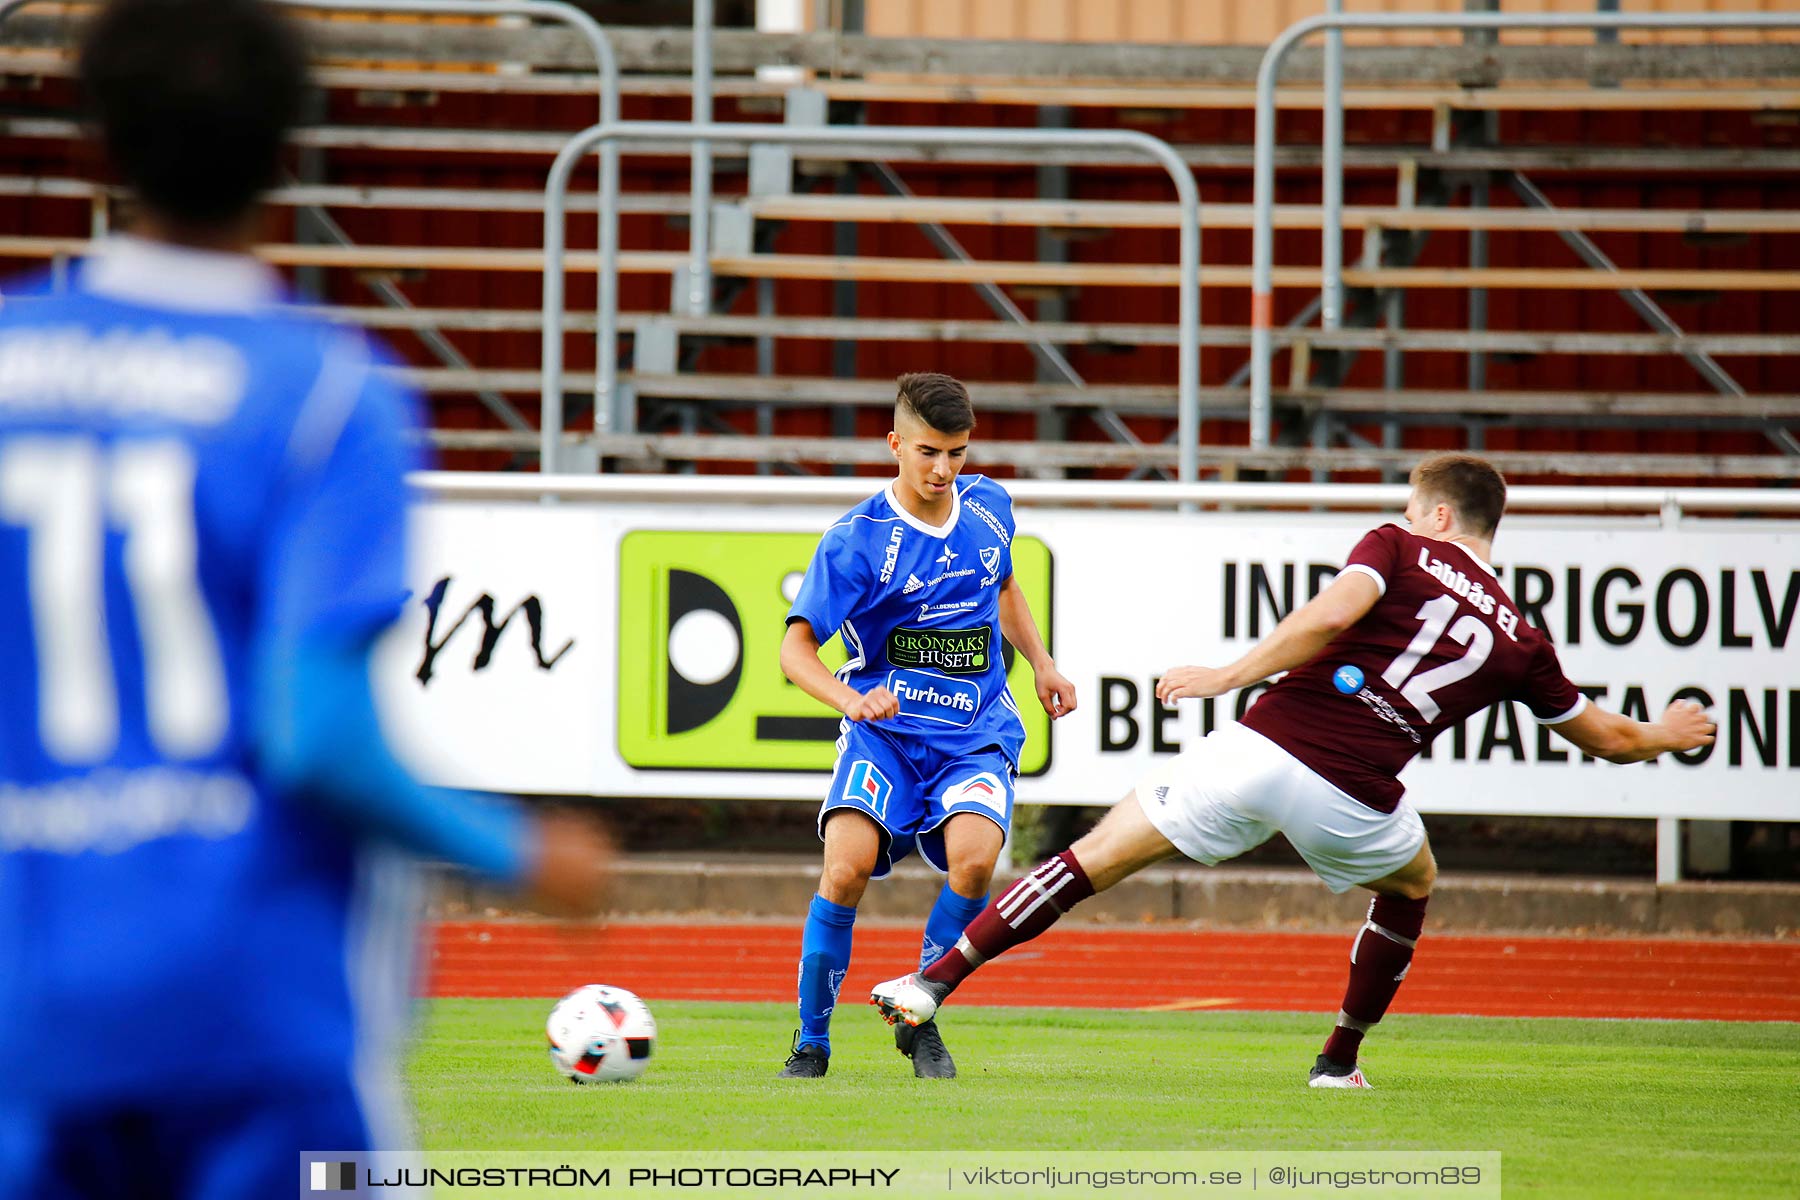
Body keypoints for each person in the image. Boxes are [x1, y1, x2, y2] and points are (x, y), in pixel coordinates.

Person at [0, 1, 613, 1194]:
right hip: (247, 1007)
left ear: (96, 142)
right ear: (293, 144)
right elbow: (316, 728)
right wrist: (518, 851)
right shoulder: (328, 392)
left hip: (29, 1008)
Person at [870, 453, 1716, 1089]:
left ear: (1439, 514)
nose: (1408, 516)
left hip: (1260, 744)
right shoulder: (1524, 639)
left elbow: (1330, 613)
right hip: (1355, 795)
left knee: (1092, 857)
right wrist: (1672, 734)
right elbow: (1603, 736)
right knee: (1414, 883)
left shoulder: (1399, 545)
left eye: (1414, 508)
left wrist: (1225, 676)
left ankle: (933, 980)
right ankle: (1337, 1061)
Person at [776, 373, 1076, 1079]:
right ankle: (811, 1041)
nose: (944, 470)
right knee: (844, 871)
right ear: (894, 446)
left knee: (975, 862)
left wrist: (1041, 662)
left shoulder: (991, 507)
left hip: (975, 730)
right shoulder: (856, 541)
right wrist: (849, 701)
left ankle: (920, 1011)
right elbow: (794, 651)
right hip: (886, 737)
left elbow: (1002, 584)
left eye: (958, 453)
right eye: (928, 452)